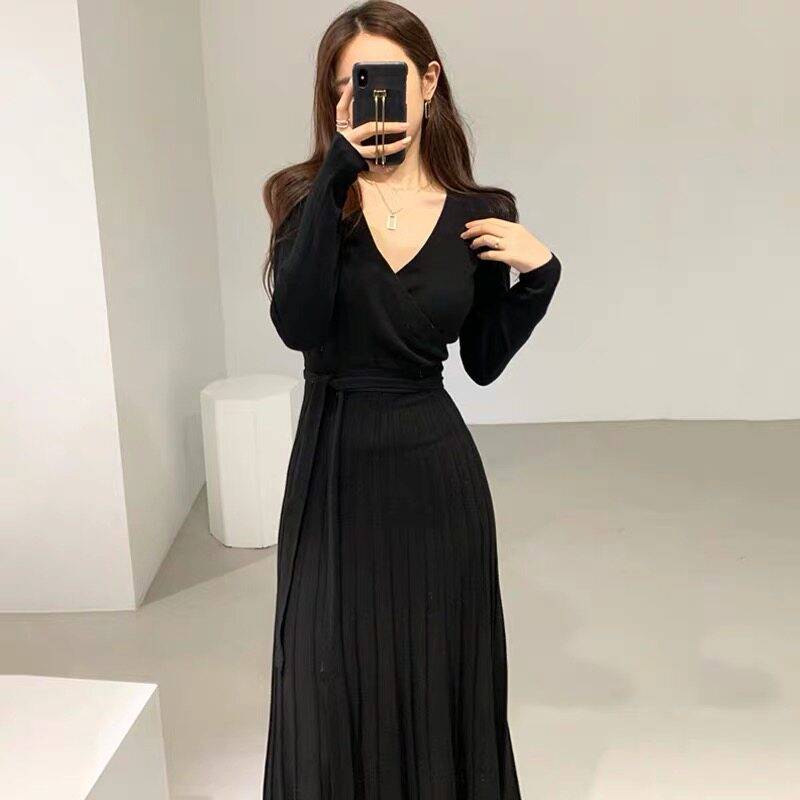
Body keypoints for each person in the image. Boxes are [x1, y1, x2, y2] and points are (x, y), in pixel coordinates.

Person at [260, 2, 561, 797]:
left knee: (436, 678)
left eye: (378, 79)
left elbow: (483, 362)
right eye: (344, 86)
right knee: (326, 680)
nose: (359, 99)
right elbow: (296, 325)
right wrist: (336, 176)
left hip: (436, 477)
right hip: (334, 471)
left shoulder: (480, 214)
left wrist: (540, 278)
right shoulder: (305, 198)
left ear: (427, 82)